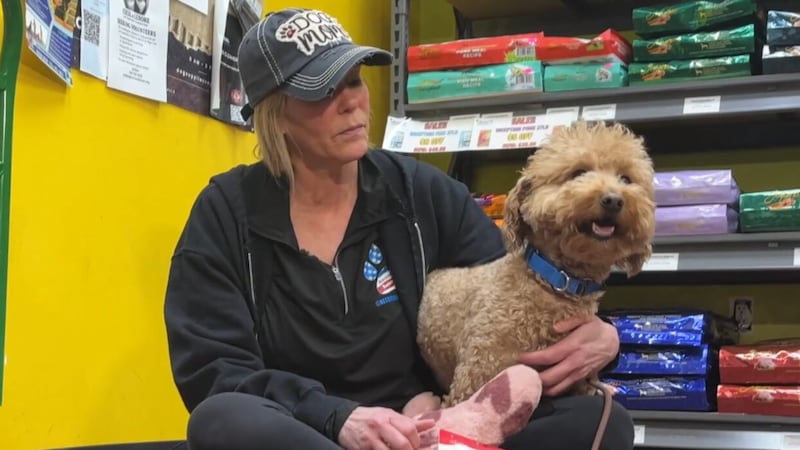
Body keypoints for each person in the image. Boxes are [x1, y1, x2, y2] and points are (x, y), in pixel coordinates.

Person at [163, 7, 634, 450]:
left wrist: (604, 336)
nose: (352, 102)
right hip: (307, 431)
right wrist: (337, 417)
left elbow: (519, 288)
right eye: (325, 91)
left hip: (425, 426)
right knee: (221, 418)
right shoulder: (226, 211)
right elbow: (214, 371)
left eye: (355, 81)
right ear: (274, 113)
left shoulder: (420, 193)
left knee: (603, 421)